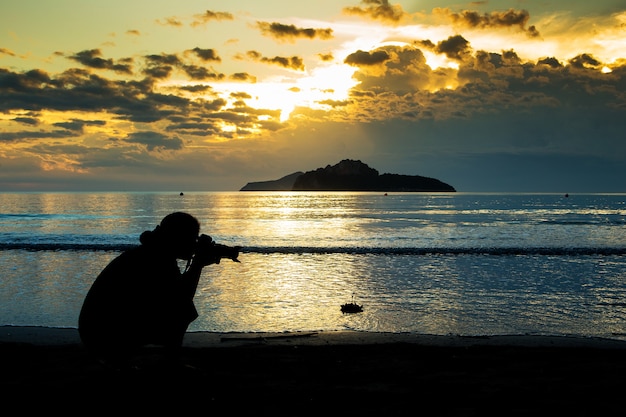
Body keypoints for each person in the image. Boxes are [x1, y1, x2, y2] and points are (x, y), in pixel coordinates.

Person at [78, 212, 234, 369]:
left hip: (98, 331)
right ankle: (170, 364)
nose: (194, 243)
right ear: (178, 237)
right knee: (182, 311)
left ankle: (128, 360)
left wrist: (197, 263)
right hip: (104, 335)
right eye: (192, 238)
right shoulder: (157, 258)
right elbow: (181, 298)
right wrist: (197, 265)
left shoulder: (153, 251)